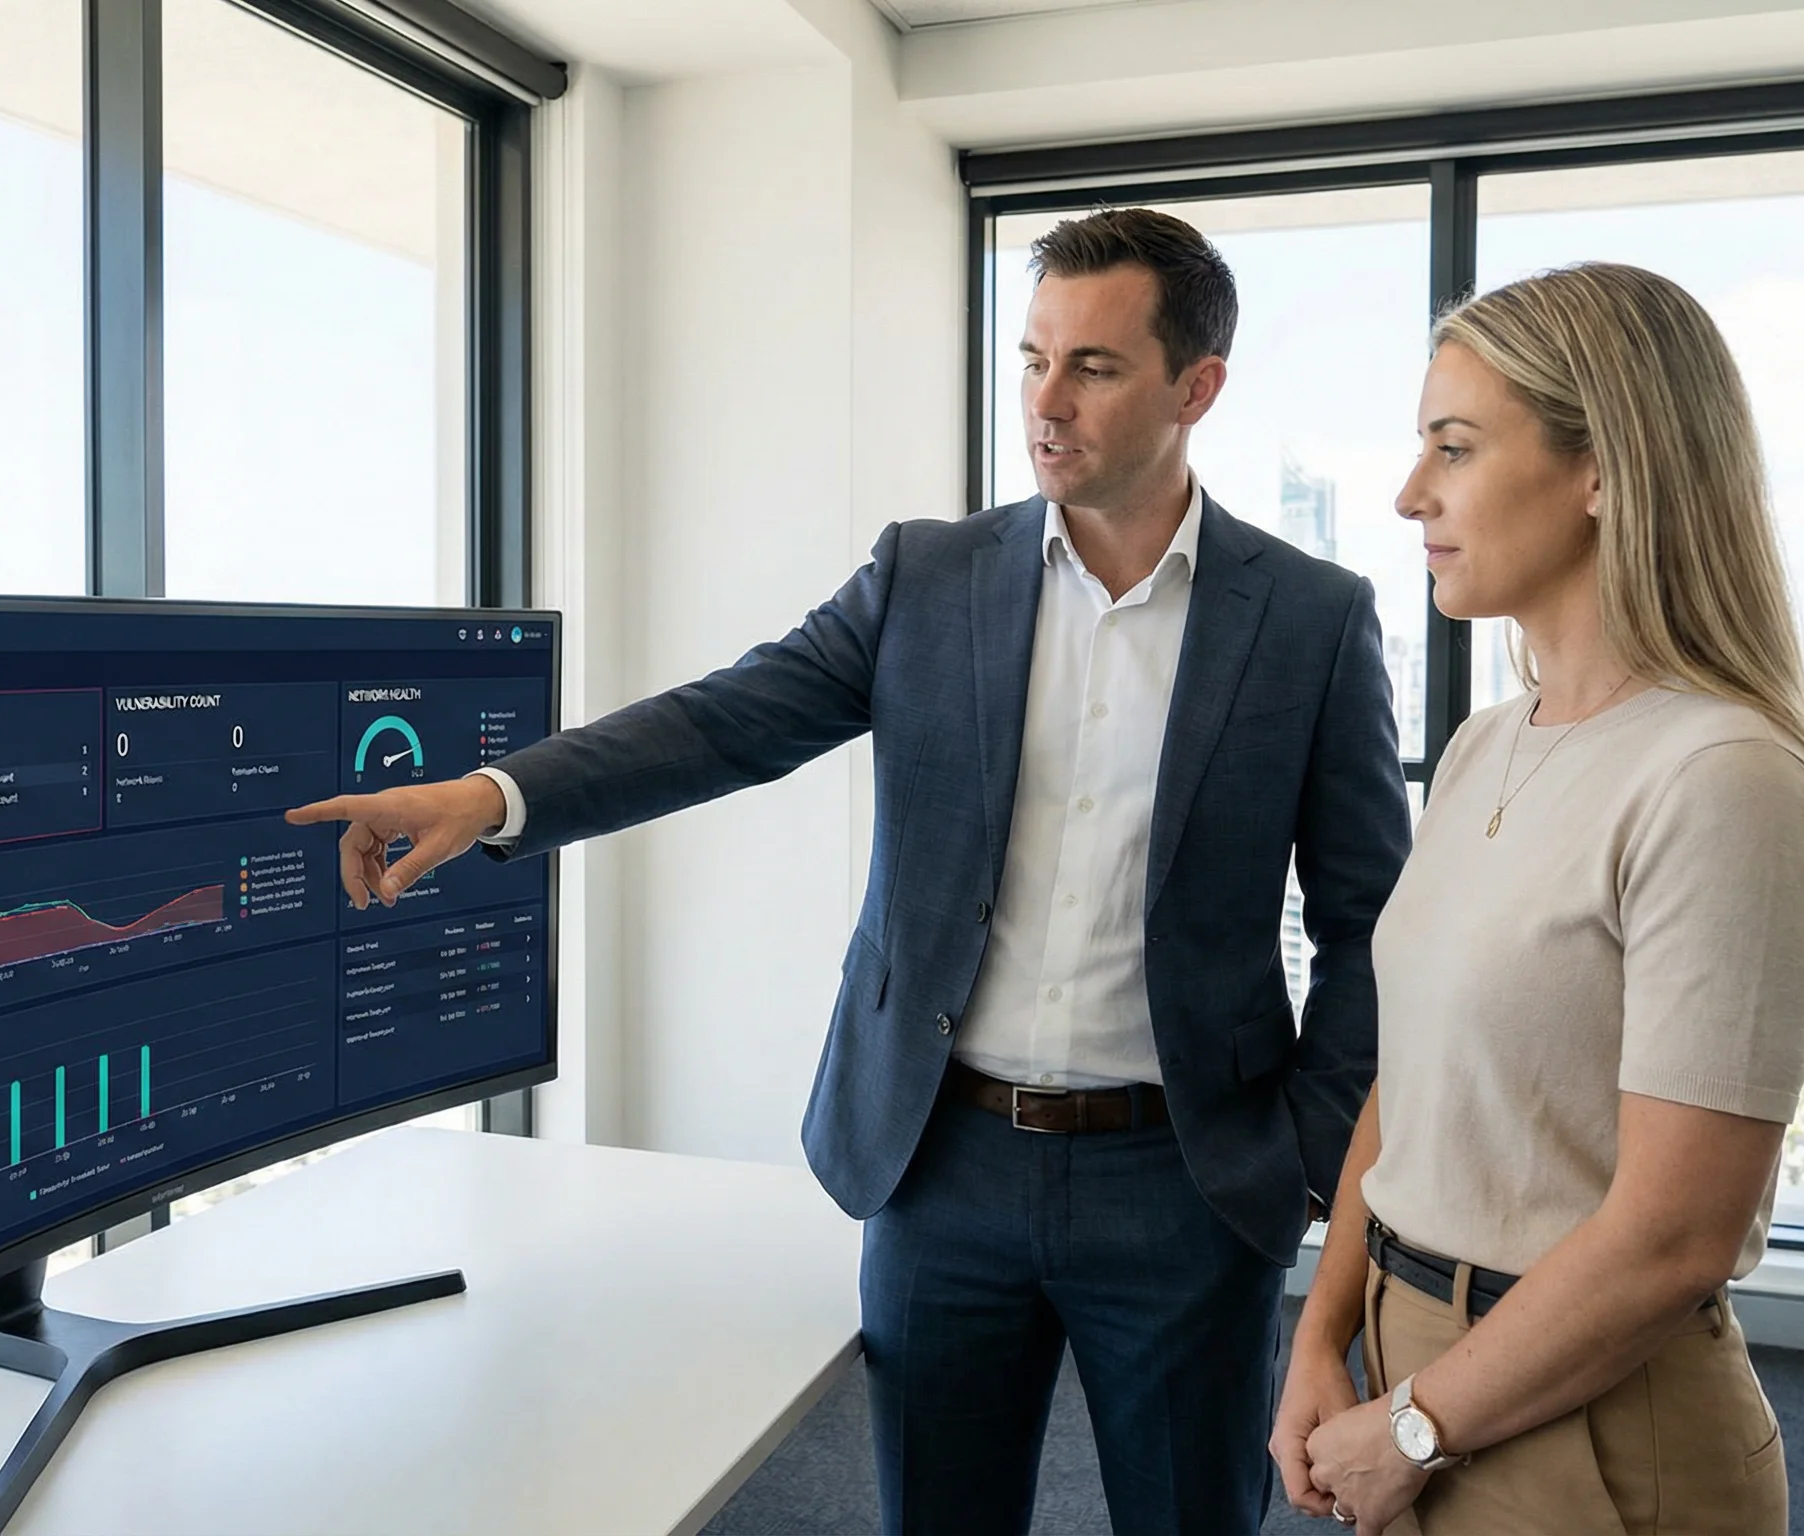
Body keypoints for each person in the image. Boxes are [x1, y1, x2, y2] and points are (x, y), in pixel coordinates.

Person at [290, 207, 1411, 1535]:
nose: (1045, 404)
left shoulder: (1310, 622)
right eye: (1031, 357)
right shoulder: (924, 580)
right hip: (941, 1167)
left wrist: (1300, 1162)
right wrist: (489, 798)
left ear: (1196, 387)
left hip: (1180, 1182)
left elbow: (1371, 930)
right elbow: (723, 723)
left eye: (1093, 368)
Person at [1269, 261, 1804, 1536]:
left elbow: (1673, 1236)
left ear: (1602, 471)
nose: (1408, 492)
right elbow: (1410, 1079)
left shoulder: (1725, 779)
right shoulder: (1492, 740)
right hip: (1414, 1357)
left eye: (1455, 448)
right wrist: (1321, 1331)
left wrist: (1419, 1426)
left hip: (1588, 1421)